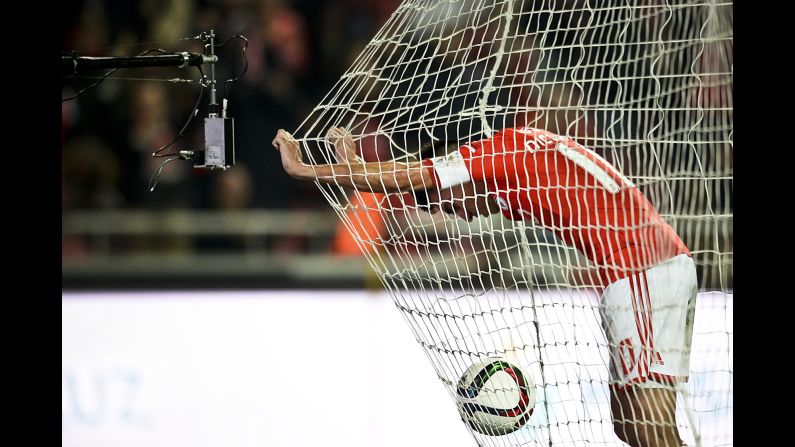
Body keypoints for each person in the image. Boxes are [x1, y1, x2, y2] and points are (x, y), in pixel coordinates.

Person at [272, 126, 696, 447]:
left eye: (449, 202)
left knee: (649, 426)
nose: (461, 216)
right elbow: (409, 176)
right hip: (641, 271)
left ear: (454, 170)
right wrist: (355, 166)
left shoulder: (490, 157)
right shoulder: (514, 153)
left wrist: (306, 169)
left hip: (642, 270)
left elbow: (409, 178)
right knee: (630, 424)